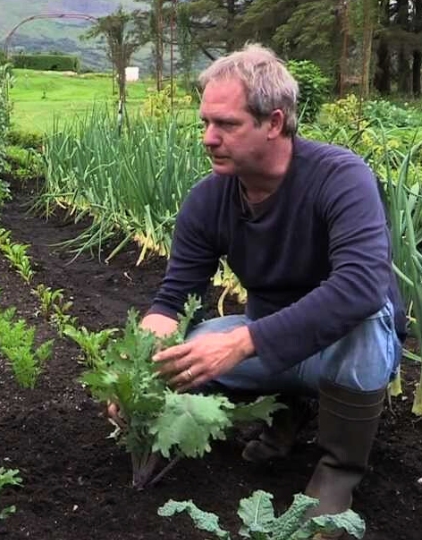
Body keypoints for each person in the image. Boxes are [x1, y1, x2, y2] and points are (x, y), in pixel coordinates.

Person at [125, 44, 406, 522]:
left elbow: (360, 286)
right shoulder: (209, 199)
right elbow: (174, 299)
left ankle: (338, 471)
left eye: (226, 125)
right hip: (269, 344)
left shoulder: (339, 177)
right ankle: (284, 411)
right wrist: (138, 368)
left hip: (345, 346)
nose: (208, 139)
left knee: (365, 322)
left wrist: (244, 341)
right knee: (193, 346)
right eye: (205, 124)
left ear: (274, 123)